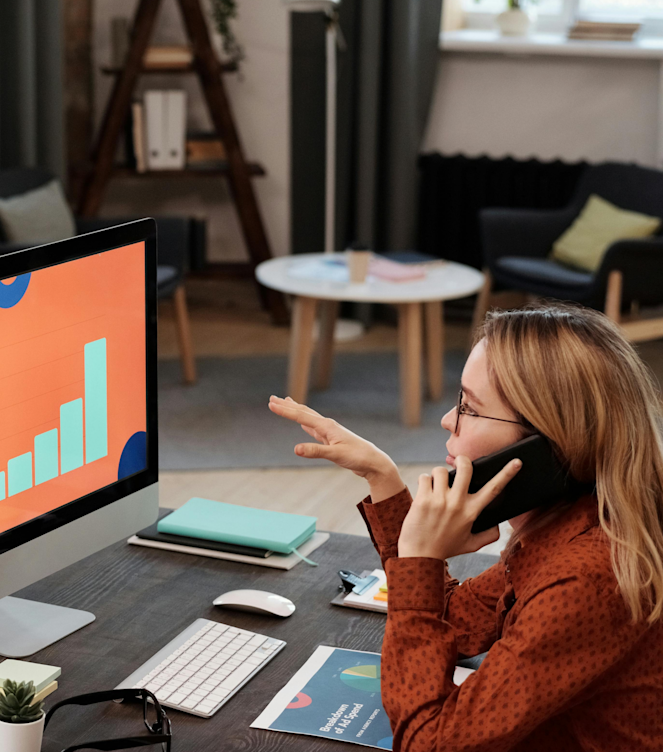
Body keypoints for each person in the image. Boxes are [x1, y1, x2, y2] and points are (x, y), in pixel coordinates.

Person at [270, 303, 663, 751]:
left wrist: (421, 559)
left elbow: (428, 744)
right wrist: (383, 478)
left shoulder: (587, 576)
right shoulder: (569, 524)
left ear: (544, 443)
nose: (448, 420)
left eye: (469, 408)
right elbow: (455, 623)